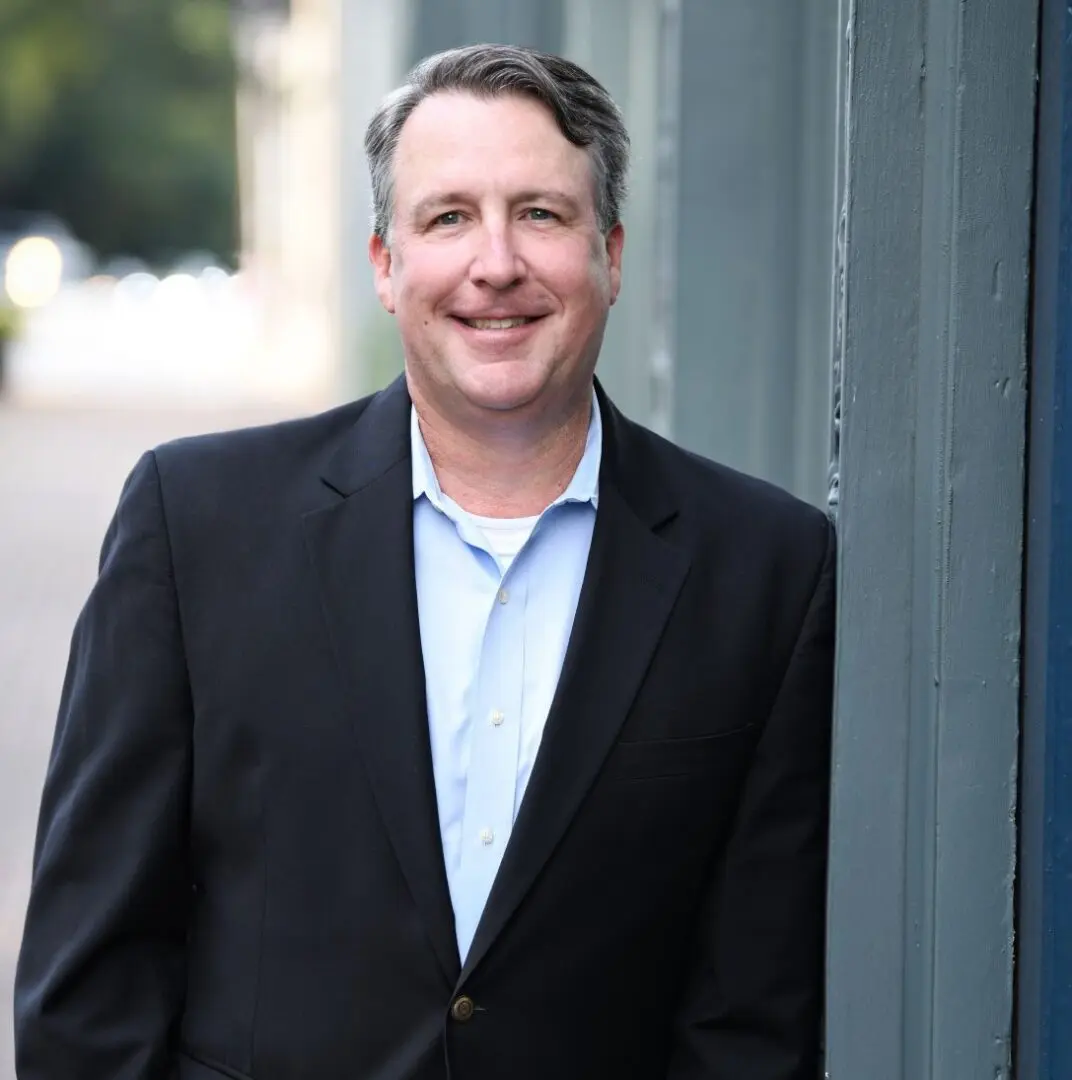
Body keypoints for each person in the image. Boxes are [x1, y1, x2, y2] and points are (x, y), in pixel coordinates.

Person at [14, 44, 836, 1080]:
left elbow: (750, 1020)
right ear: (385, 265)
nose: (495, 263)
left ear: (613, 256)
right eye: (448, 217)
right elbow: (86, 991)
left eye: (540, 214)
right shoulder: (197, 526)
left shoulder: (765, 568)